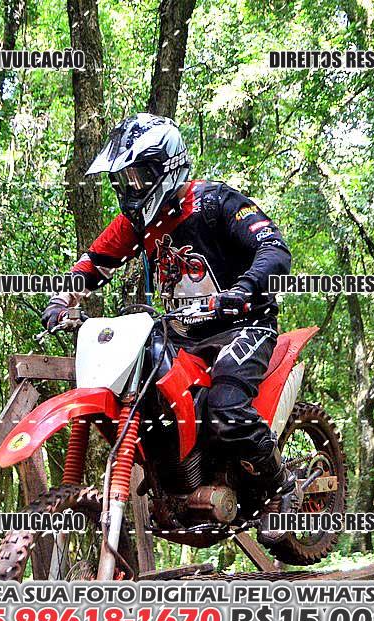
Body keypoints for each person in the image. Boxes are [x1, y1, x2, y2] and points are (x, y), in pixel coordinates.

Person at [42, 113, 299, 524]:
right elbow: (93, 262)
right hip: (181, 332)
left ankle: (282, 487)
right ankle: (178, 484)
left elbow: (274, 250)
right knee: (145, 396)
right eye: (123, 180)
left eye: (139, 177)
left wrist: (241, 291)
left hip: (242, 325)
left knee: (226, 410)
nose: (132, 189)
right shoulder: (137, 224)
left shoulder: (217, 203)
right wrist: (61, 299)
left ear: (168, 166)